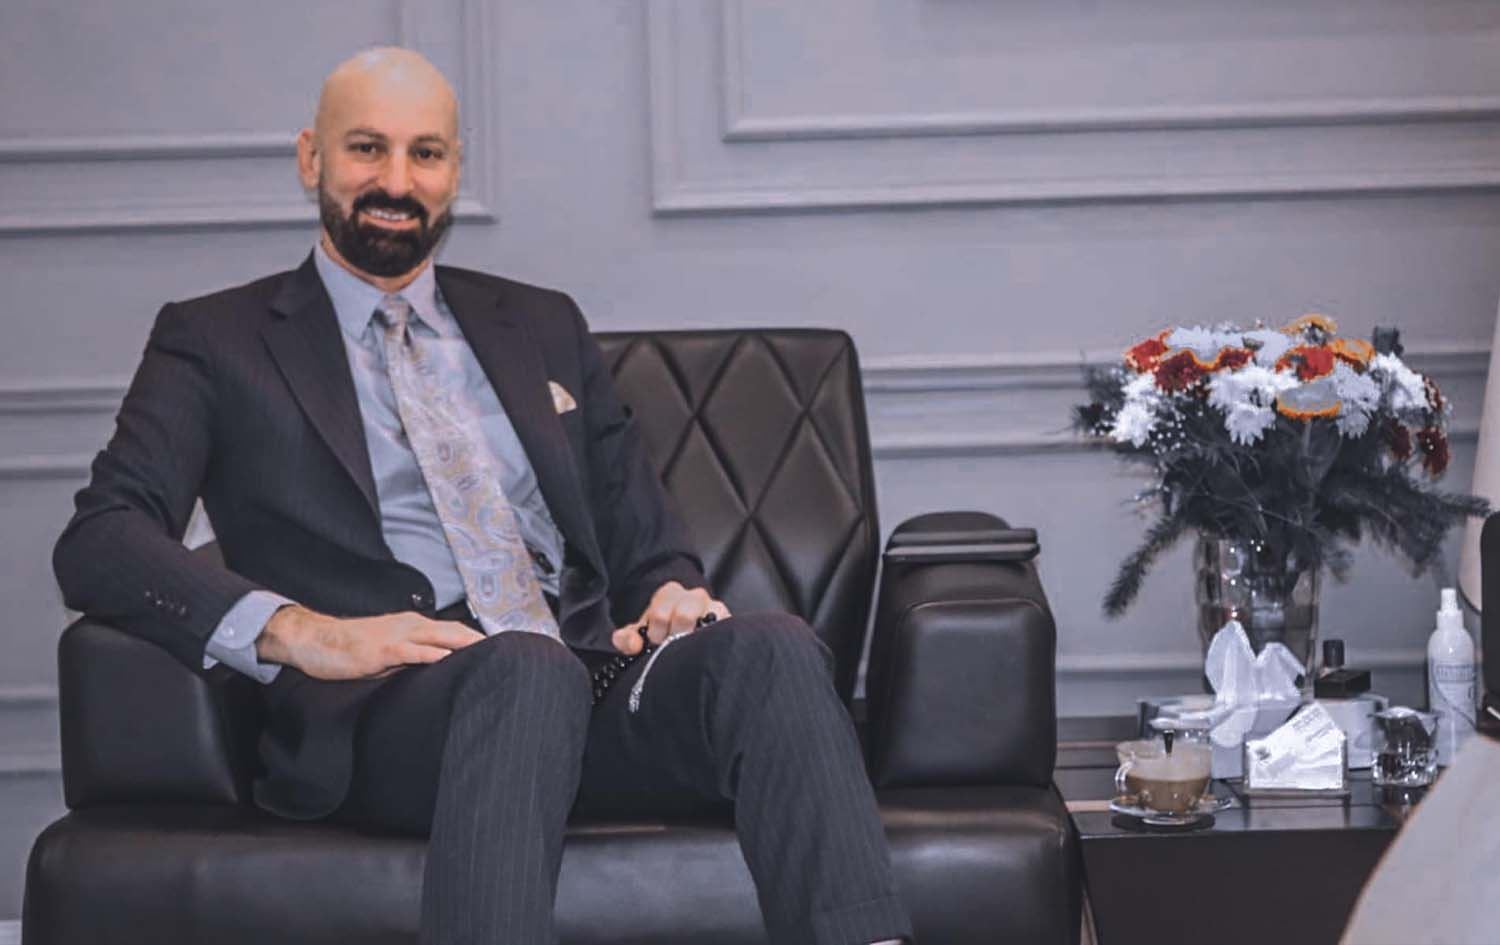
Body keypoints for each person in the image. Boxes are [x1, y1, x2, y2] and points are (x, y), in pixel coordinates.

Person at [53, 47, 913, 945]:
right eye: (366, 149)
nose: (397, 181)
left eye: (425, 153)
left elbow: (642, 538)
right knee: (525, 669)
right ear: (312, 158)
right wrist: (307, 633)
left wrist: (671, 593)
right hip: (388, 713)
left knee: (772, 648)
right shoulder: (216, 339)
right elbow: (100, 535)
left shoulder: (541, 323)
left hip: (586, 683)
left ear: (455, 170)